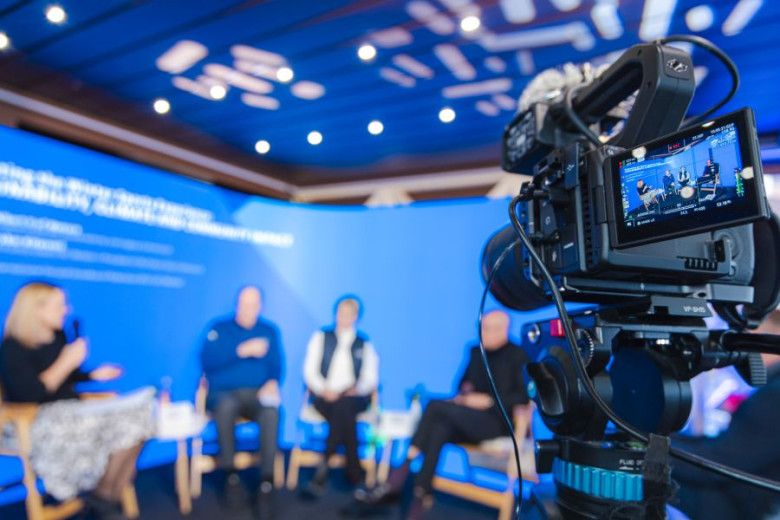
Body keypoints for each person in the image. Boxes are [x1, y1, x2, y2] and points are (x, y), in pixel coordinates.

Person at [0, 282, 154, 520]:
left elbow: (68, 379)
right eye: (60, 305)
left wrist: (93, 374)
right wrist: (66, 361)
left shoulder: (58, 337)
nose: (66, 310)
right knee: (119, 424)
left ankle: (104, 497)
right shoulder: (12, 348)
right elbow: (29, 394)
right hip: (36, 419)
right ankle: (103, 501)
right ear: (36, 309)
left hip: (72, 410)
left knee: (140, 419)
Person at [357, 310, 529, 520]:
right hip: (466, 418)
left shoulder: (517, 355)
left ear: (504, 329)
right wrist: (467, 396)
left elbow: (523, 397)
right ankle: (420, 494)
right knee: (439, 428)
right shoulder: (476, 351)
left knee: (435, 407)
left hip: (495, 422)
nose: (485, 333)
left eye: (491, 329)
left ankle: (400, 473)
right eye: (483, 328)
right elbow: (461, 385)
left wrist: (489, 400)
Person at [673, 309, 780, 520]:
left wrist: (651, 450)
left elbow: (718, 464)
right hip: (730, 494)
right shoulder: (772, 389)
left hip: (732, 505)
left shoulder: (775, 395)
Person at [200, 285, 283, 519]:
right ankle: (231, 476)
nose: (248, 309)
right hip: (224, 393)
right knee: (225, 408)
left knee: (272, 412)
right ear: (237, 304)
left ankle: (266, 482)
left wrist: (272, 382)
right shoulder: (219, 328)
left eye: (253, 305)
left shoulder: (269, 331)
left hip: (256, 394)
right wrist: (240, 350)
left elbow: (277, 366)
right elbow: (207, 361)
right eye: (244, 304)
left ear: (260, 306)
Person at [301, 296, 379, 498]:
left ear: (355, 317)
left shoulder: (364, 343)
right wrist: (323, 389)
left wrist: (358, 388)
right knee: (343, 410)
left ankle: (325, 462)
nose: (343, 317)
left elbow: (370, 378)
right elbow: (310, 371)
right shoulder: (321, 337)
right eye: (340, 312)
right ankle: (354, 469)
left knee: (345, 405)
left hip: (353, 397)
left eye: (348, 314)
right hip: (325, 396)